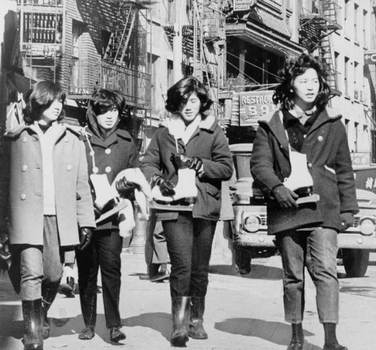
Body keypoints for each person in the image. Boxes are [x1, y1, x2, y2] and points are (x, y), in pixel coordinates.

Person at [250, 53, 359, 350]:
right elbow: (259, 164)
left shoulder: (333, 123)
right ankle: (296, 337)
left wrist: (349, 208)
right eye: (303, 81)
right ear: (291, 84)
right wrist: (275, 187)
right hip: (287, 208)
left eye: (315, 81)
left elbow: (344, 169)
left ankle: (331, 340)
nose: (311, 86)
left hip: (323, 207)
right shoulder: (272, 125)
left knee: (325, 270)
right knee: (292, 274)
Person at [0, 80, 96, 350]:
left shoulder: (73, 140)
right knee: (32, 273)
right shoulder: (16, 138)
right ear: (38, 103)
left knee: (53, 275)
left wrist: (86, 221)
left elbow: (81, 186)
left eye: (60, 102)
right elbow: (3, 185)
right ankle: (33, 335)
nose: (58, 107)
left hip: (58, 218)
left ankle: (40, 315)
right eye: (53, 102)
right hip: (26, 217)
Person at [140, 76, 233, 347]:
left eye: (193, 100)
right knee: (181, 265)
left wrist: (197, 164)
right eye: (183, 101)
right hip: (173, 208)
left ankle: (197, 320)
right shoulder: (163, 132)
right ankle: (179, 325)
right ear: (175, 104)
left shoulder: (213, 131)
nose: (189, 106)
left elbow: (226, 168)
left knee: (199, 268)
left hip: (204, 206)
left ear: (202, 102)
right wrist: (157, 179)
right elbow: (148, 163)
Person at [75, 89, 141, 343]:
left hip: (112, 217)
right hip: (87, 217)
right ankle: (89, 324)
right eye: (104, 111)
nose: (110, 116)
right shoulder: (81, 140)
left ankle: (114, 324)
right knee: (87, 272)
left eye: (114, 110)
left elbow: (135, 177)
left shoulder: (126, 142)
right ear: (94, 113)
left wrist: (127, 191)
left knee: (112, 270)